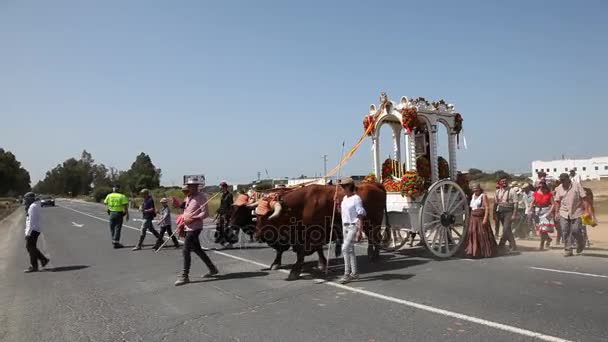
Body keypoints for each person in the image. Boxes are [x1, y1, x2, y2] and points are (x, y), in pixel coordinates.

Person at [175, 180, 219, 286]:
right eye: (190, 186)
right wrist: (182, 217)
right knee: (197, 249)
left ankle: (185, 276)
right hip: (187, 226)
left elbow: (206, 213)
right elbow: (185, 209)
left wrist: (194, 218)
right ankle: (212, 269)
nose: (192, 188)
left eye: (194, 186)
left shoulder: (201, 197)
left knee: (186, 249)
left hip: (195, 227)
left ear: (197, 187)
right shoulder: (188, 197)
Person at [554, 173, 591, 256]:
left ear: (568, 179)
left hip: (576, 211)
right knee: (564, 230)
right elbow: (557, 201)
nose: (563, 182)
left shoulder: (576, 186)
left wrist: (587, 211)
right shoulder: (559, 188)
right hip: (563, 212)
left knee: (575, 230)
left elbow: (584, 198)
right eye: (561, 181)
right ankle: (568, 249)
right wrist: (556, 212)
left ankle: (581, 242)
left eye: (564, 180)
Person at [338, 177, 366, 284]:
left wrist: (360, 230)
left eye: (344, 186)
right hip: (345, 226)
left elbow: (360, 214)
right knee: (350, 250)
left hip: (353, 226)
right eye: (341, 186)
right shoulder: (344, 198)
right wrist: (336, 203)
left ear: (349, 186)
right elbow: (341, 212)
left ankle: (346, 274)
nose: (342, 188)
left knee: (344, 248)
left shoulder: (356, 198)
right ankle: (354, 273)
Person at [465, 183, 498, 258]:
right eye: (474, 189)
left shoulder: (483, 196)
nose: (475, 190)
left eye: (476, 188)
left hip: (480, 217)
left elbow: (486, 207)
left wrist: (485, 218)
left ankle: (483, 251)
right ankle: (474, 251)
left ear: (479, 188)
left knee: (482, 234)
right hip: (473, 217)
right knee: (473, 233)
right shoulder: (473, 196)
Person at [23, 192, 50, 273]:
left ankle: (35, 265)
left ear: (30, 199)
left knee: (30, 247)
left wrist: (28, 233)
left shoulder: (32, 207)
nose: (25, 201)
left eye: (26, 199)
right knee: (31, 247)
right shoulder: (33, 206)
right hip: (34, 230)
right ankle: (43, 260)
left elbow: (31, 221)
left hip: (33, 230)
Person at [494, 176, 519, 252]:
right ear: (500, 183)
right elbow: (495, 203)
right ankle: (502, 244)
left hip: (509, 211)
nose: (504, 182)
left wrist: (514, 214)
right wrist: (494, 213)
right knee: (507, 229)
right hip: (500, 211)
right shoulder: (497, 191)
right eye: (502, 181)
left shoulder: (512, 191)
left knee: (505, 228)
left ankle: (513, 245)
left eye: (505, 181)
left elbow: (515, 203)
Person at [530, 180, 555, 250]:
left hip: (546, 211)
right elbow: (533, 202)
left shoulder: (549, 194)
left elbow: (553, 204)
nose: (541, 187)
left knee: (543, 230)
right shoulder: (536, 193)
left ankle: (541, 244)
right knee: (540, 229)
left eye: (543, 186)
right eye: (540, 185)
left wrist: (549, 212)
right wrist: (530, 209)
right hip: (537, 211)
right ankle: (548, 239)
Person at [103, 184, 130, 248]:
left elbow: (105, 203)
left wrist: (108, 208)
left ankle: (113, 240)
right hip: (119, 213)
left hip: (111, 213)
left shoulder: (109, 195)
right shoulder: (122, 196)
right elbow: (125, 206)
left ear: (113, 189)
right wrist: (127, 214)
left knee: (112, 227)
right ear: (119, 189)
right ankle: (116, 242)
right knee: (117, 228)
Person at [214, 181, 235, 246]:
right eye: (220, 187)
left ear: (225, 187)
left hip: (227, 214)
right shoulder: (223, 195)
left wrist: (230, 214)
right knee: (219, 227)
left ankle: (231, 241)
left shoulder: (229, 195)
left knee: (226, 228)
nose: (221, 189)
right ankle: (222, 240)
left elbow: (231, 205)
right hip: (222, 213)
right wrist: (218, 211)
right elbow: (222, 204)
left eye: (222, 187)